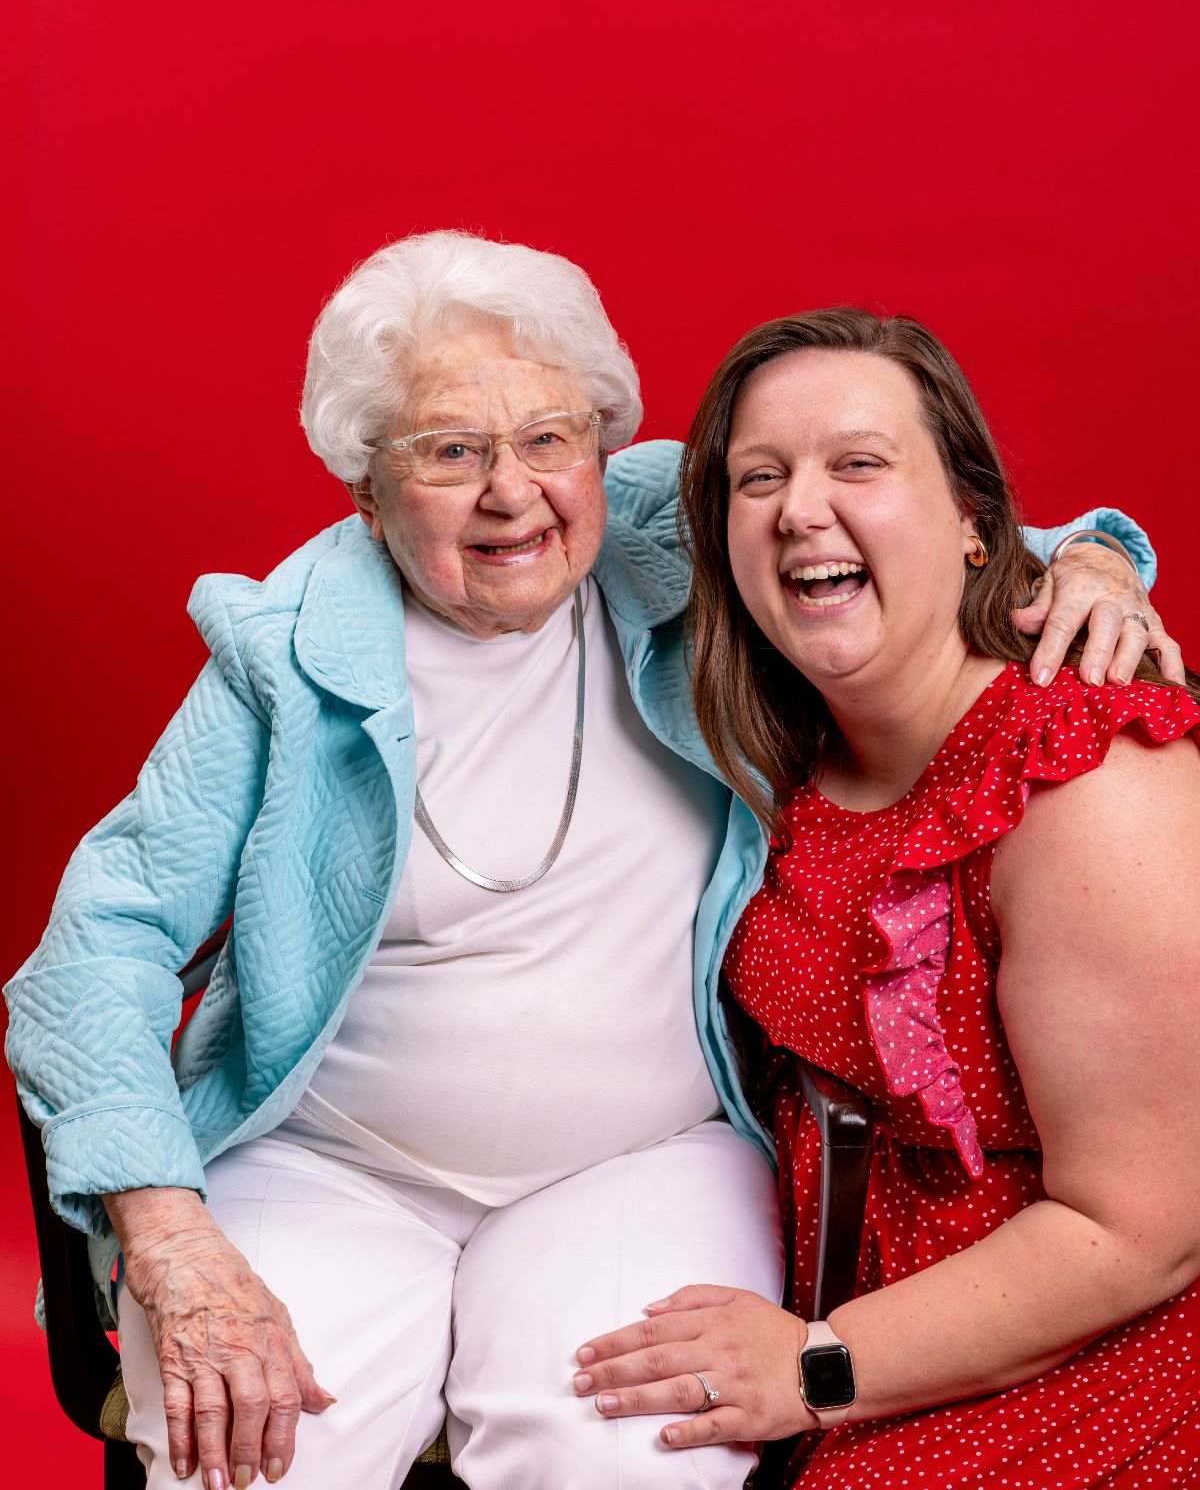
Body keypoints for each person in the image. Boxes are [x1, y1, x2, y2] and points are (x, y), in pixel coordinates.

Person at [6, 239, 1169, 1490]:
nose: (513, 491)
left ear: (605, 450)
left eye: (550, 439)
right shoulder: (285, 649)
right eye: (450, 452)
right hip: (331, 1165)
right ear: (366, 487)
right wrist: (170, 1231)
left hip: (642, 1157)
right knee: (244, 1448)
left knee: (632, 1445)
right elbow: (92, 948)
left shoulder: (668, 523)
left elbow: (934, 524)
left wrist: (1102, 563)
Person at [568, 307, 1200, 1488]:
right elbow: (559, 471)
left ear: (975, 522)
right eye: (763, 478)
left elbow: (1146, 1230)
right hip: (860, 1311)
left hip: (1084, 1341)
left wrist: (817, 1365)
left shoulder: (1084, 774)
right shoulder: (784, 751)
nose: (804, 507)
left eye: (859, 462)